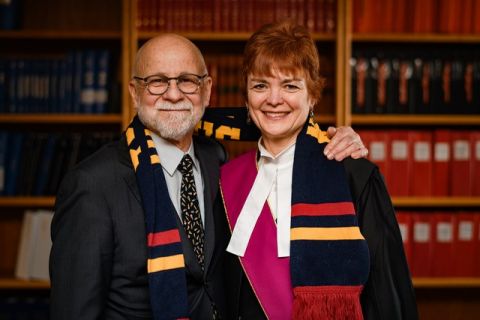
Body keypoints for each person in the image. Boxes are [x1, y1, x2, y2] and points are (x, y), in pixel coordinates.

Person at [49, 33, 368, 320]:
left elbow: (283, 122)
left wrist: (334, 139)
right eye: (157, 81)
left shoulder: (216, 161)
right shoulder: (92, 184)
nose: (173, 95)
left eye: (187, 81)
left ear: (206, 90)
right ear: (135, 92)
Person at [220, 20, 418, 320]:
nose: (274, 99)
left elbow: (386, 293)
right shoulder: (225, 180)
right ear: (247, 98)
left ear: (312, 96)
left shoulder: (353, 175)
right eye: (260, 85)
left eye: (290, 85)